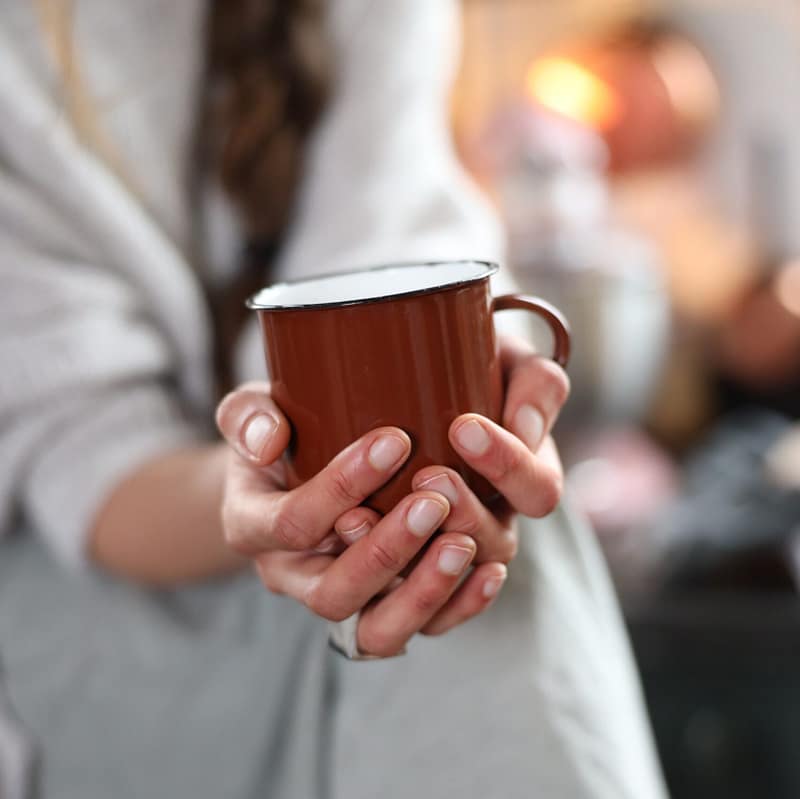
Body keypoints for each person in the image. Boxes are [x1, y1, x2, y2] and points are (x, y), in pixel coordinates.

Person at [0, 1, 667, 798]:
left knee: (476, 545)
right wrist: (274, 497)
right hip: (93, 595)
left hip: (312, 562)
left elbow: (397, 244)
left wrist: (493, 396)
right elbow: (86, 460)